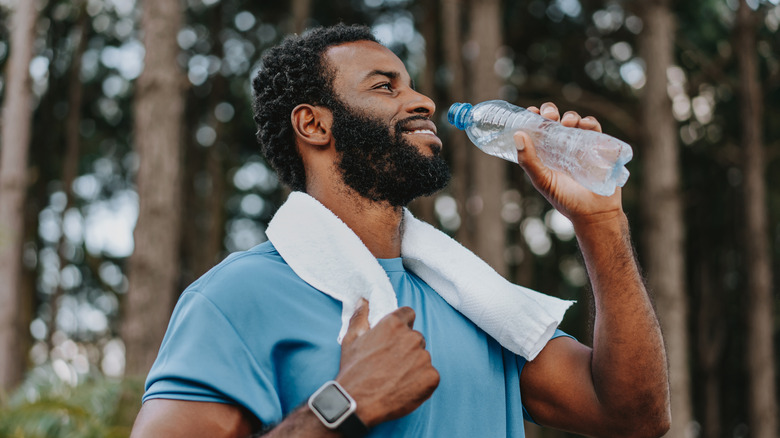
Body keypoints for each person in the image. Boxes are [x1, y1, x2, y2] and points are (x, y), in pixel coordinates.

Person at [130, 24, 671, 437]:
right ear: (313, 124)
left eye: (411, 85)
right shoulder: (235, 297)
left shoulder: (476, 300)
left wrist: (601, 223)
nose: (423, 102)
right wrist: (341, 406)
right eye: (385, 86)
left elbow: (634, 418)